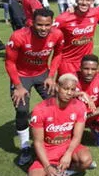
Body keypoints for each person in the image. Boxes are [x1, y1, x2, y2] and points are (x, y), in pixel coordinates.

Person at [5, 8, 64, 166]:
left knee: (55, 103)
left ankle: (54, 138)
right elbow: (9, 62)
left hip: (42, 74)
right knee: (22, 110)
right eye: (39, 25)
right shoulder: (18, 36)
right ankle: (25, 146)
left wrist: (51, 76)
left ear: (52, 23)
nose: (43, 28)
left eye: (47, 25)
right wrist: (17, 86)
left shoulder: (57, 34)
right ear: (32, 23)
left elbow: (58, 54)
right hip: (21, 76)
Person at [24, 73, 94, 176]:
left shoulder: (79, 106)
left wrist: (68, 154)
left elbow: (77, 136)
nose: (69, 93)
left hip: (68, 146)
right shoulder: (40, 109)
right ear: (57, 87)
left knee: (86, 160)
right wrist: (47, 166)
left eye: (72, 90)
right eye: (65, 88)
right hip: (47, 150)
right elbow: (38, 142)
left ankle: (65, 171)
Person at [53, 0, 99, 75]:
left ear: (92, 1)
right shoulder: (63, 18)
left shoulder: (96, 14)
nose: (84, 3)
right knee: (66, 87)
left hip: (86, 62)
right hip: (67, 62)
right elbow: (47, 33)